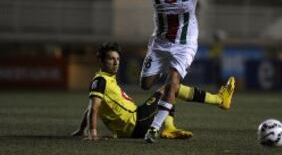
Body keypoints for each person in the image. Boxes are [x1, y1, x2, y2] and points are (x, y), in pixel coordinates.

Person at [102, 0, 235, 143]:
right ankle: (214, 99)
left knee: (173, 82)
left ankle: (155, 129)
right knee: (146, 84)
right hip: (159, 43)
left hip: (185, 44)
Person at [71, 42, 235, 140]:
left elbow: (91, 107)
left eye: (118, 59)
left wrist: (81, 130)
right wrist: (92, 132)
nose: (115, 63)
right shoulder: (100, 81)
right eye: (110, 59)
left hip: (133, 125)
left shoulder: (104, 78)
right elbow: (94, 108)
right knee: (171, 86)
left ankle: (169, 127)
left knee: (169, 88)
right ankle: (219, 100)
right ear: (100, 60)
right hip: (136, 123)